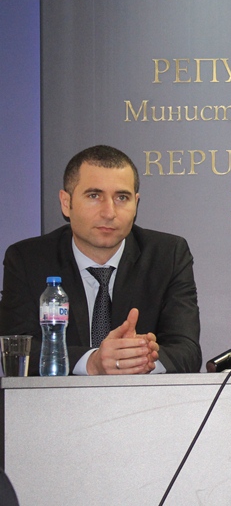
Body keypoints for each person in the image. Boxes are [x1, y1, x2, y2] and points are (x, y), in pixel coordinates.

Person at [0, 145, 201, 374]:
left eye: (122, 197)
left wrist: (140, 358)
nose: (109, 212)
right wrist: (92, 362)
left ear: (136, 203)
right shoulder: (28, 259)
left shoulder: (168, 255)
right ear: (66, 202)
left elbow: (187, 352)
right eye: (94, 196)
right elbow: (18, 350)